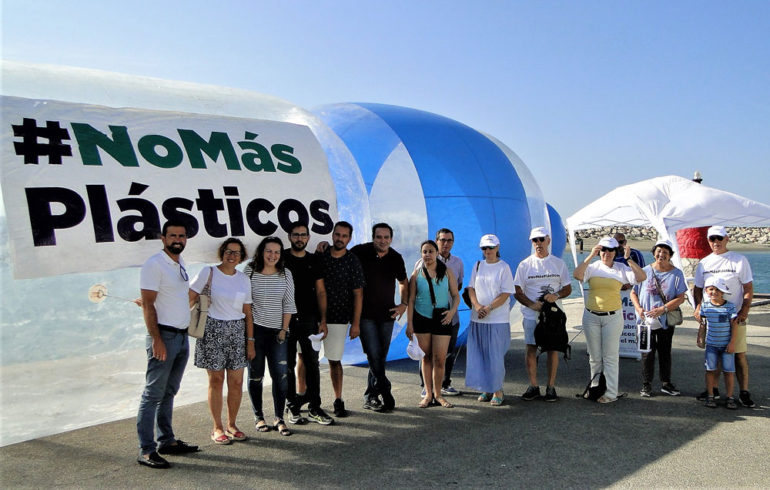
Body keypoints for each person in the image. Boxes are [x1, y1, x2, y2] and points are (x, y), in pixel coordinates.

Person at [136, 221, 199, 469]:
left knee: (169, 392)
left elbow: (168, 298)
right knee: (152, 394)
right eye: (172, 235)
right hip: (164, 337)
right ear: (163, 238)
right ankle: (146, 450)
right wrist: (156, 340)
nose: (178, 239)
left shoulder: (179, 262)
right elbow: (149, 304)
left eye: (181, 236)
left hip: (181, 337)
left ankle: (166, 440)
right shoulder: (154, 264)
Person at [189, 238, 253, 445]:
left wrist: (250, 341)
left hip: (237, 331)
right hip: (212, 329)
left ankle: (232, 425)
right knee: (215, 381)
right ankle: (217, 427)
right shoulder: (208, 272)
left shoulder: (243, 279)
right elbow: (188, 297)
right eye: (228, 251)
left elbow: (247, 312)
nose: (231, 255)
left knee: (236, 382)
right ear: (221, 253)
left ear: (241, 257)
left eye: (236, 252)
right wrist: (159, 306)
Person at [573, 236, 646, 404]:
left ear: (615, 252)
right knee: (595, 357)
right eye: (603, 249)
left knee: (610, 356)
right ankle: (595, 388)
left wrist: (628, 260)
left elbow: (641, 277)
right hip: (591, 316)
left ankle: (611, 393)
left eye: (610, 250)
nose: (606, 253)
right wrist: (591, 255)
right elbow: (577, 274)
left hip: (612, 317)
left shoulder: (621, 268)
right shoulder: (592, 267)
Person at [693, 226, 755, 407]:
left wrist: (744, 310)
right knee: (714, 354)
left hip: (734, 317)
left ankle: (743, 391)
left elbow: (748, 288)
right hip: (712, 316)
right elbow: (697, 288)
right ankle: (714, 390)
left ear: (727, 239)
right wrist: (698, 307)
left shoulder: (739, 260)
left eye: (719, 238)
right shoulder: (704, 263)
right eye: (712, 239)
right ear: (708, 241)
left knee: (739, 354)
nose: (716, 242)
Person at [351, 223, 408, 412]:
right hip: (364, 314)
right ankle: (385, 390)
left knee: (379, 357)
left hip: (387, 314)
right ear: (373, 237)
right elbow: (340, 257)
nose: (382, 240)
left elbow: (403, 282)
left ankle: (371, 395)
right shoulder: (360, 252)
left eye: (386, 237)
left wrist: (404, 304)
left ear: (391, 239)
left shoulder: (395, 258)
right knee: (373, 354)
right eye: (378, 237)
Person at [244, 236, 297, 436]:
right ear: (261, 252)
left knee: (281, 377)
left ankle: (279, 418)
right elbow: (245, 303)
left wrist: (284, 329)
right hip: (255, 331)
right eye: (269, 251)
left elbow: (289, 304)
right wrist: (249, 337)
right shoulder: (250, 271)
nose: (272, 255)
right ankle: (259, 417)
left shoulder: (285, 273)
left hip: (278, 332)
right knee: (256, 375)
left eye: (276, 251)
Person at [282, 222, 333, 426]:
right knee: (287, 365)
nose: (299, 238)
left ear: (308, 238)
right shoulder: (281, 258)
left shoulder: (314, 260)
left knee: (312, 364)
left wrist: (323, 320)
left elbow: (321, 291)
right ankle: (292, 406)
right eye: (296, 235)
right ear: (289, 237)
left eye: (303, 235)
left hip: (310, 320)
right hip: (285, 320)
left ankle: (314, 407)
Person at [513, 227, 572, 402]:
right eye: (535, 240)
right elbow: (517, 291)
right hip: (532, 316)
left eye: (541, 239)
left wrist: (556, 295)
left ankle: (551, 387)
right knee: (531, 348)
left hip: (553, 316)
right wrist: (532, 304)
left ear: (548, 240)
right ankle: (533, 386)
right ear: (532, 243)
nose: (538, 243)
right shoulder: (524, 265)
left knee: (552, 350)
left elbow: (568, 288)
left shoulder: (558, 263)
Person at [318, 221, 365, 417]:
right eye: (337, 235)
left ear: (349, 238)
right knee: (304, 358)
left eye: (344, 236)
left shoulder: (352, 261)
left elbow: (358, 294)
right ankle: (303, 396)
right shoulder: (321, 256)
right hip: (314, 316)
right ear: (332, 235)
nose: (340, 239)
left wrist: (355, 323)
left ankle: (338, 399)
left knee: (334, 361)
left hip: (339, 317)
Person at [406, 240, 460, 408]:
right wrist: (409, 324)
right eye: (424, 252)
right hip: (421, 318)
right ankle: (428, 394)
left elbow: (456, 295)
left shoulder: (448, 272)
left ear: (437, 253)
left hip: (442, 317)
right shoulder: (416, 275)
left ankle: (438, 394)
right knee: (426, 358)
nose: (427, 255)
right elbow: (411, 299)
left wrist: (451, 313)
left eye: (430, 251)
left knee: (439, 358)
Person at [629, 239, 687, 398]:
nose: (662, 255)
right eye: (659, 251)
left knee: (665, 351)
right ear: (654, 253)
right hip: (645, 322)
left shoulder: (676, 274)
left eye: (665, 252)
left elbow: (681, 297)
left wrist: (663, 309)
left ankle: (666, 383)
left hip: (665, 320)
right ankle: (646, 384)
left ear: (670, 256)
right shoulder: (644, 271)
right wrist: (639, 309)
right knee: (647, 353)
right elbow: (633, 292)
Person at [465, 234, 515, 406]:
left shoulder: (504, 267)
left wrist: (489, 308)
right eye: (484, 248)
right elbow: (470, 288)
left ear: (497, 248)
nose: (488, 251)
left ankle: (497, 389)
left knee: (495, 356)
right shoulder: (478, 265)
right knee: (480, 354)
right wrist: (477, 306)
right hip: (478, 319)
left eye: (491, 248)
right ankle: (486, 387)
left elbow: (506, 292)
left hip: (497, 320)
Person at [699, 277, 739, 409]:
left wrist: (732, 343)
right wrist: (700, 338)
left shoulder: (730, 306)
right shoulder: (705, 306)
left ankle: (730, 397)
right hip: (711, 345)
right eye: (711, 289)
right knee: (710, 369)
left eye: (717, 290)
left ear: (723, 292)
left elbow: (734, 325)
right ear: (706, 290)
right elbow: (703, 324)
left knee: (729, 371)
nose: (714, 292)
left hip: (726, 345)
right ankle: (710, 395)